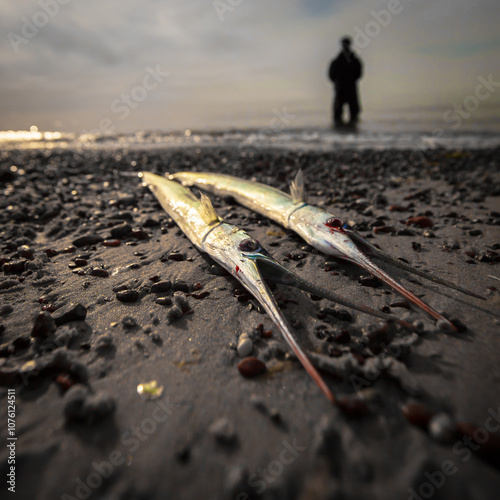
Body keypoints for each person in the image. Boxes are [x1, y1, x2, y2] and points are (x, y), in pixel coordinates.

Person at [328, 36, 363, 128]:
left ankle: (345, 132)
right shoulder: (339, 61)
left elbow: (358, 74)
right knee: (340, 113)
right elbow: (331, 75)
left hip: (345, 87)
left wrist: (339, 82)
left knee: (350, 113)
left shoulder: (340, 61)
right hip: (344, 88)